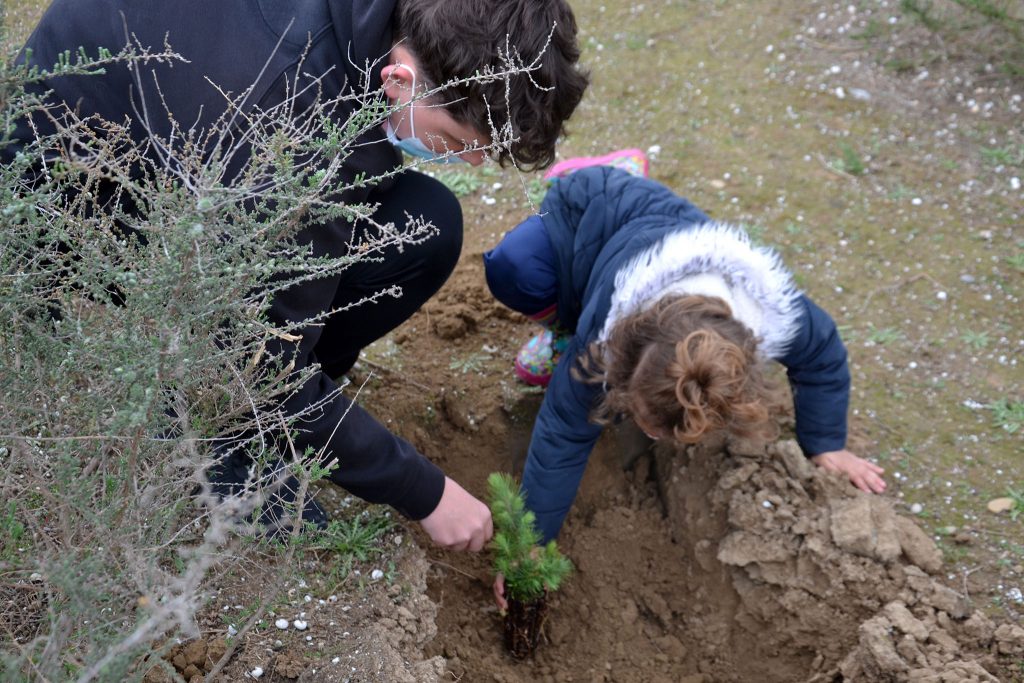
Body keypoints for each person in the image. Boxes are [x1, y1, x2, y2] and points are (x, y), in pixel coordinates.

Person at [6, 0, 588, 551]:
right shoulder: (287, 119)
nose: (471, 162)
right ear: (400, 77)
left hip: (186, 149)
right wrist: (425, 491)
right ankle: (220, 430)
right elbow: (254, 359)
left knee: (425, 223)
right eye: (462, 142)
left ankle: (289, 409)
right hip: (74, 216)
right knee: (251, 364)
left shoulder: (376, 31)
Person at [484, 163, 886, 605]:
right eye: (643, 418)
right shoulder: (605, 335)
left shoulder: (774, 312)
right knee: (513, 267)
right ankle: (565, 322)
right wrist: (531, 544)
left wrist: (827, 443)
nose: (653, 435)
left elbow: (823, 356)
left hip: (664, 234)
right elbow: (562, 430)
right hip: (591, 212)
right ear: (624, 358)